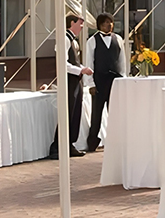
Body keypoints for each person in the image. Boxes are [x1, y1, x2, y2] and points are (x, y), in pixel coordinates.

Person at [49, 15, 92, 159]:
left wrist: (82, 68)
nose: (81, 27)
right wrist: (80, 70)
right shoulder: (64, 40)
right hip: (68, 80)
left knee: (75, 112)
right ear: (71, 23)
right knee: (67, 112)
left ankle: (69, 143)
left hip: (75, 80)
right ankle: (57, 146)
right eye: (80, 23)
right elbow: (63, 63)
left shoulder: (74, 41)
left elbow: (74, 62)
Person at [86, 12, 127, 153]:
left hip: (115, 81)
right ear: (99, 26)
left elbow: (122, 61)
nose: (108, 25)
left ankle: (117, 140)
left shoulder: (119, 39)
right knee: (96, 113)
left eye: (110, 23)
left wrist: (124, 79)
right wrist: (90, 84)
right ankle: (92, 142)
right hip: (99, 81)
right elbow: (89, 63)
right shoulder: (92, 41)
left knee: (115, 113)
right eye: (104, 23)